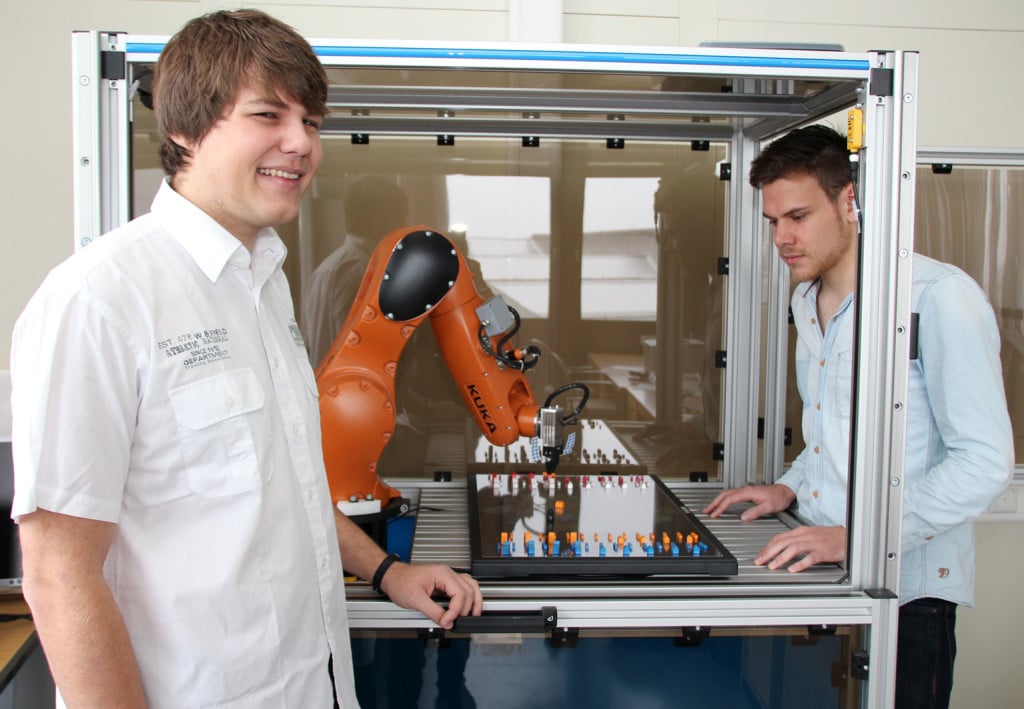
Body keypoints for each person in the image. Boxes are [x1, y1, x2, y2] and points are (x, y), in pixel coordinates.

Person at [10, 10, 481, 708]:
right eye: (268, 115)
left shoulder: (264, 286)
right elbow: (57, 573)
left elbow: (283, 489)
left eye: (312, 122)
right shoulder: (101, 299)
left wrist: (386, 571)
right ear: (184, 128)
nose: (300, 144)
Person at [703, 124, 1013, 708]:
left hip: (904, 594)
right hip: (820, 575)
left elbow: (985, 460)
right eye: (773, 222)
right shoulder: (806, 298)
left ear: (851, 201)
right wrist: (787, 487)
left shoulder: (936, 297)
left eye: (797, 216)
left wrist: (860, 539)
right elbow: (829, 430)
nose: (782, 238)